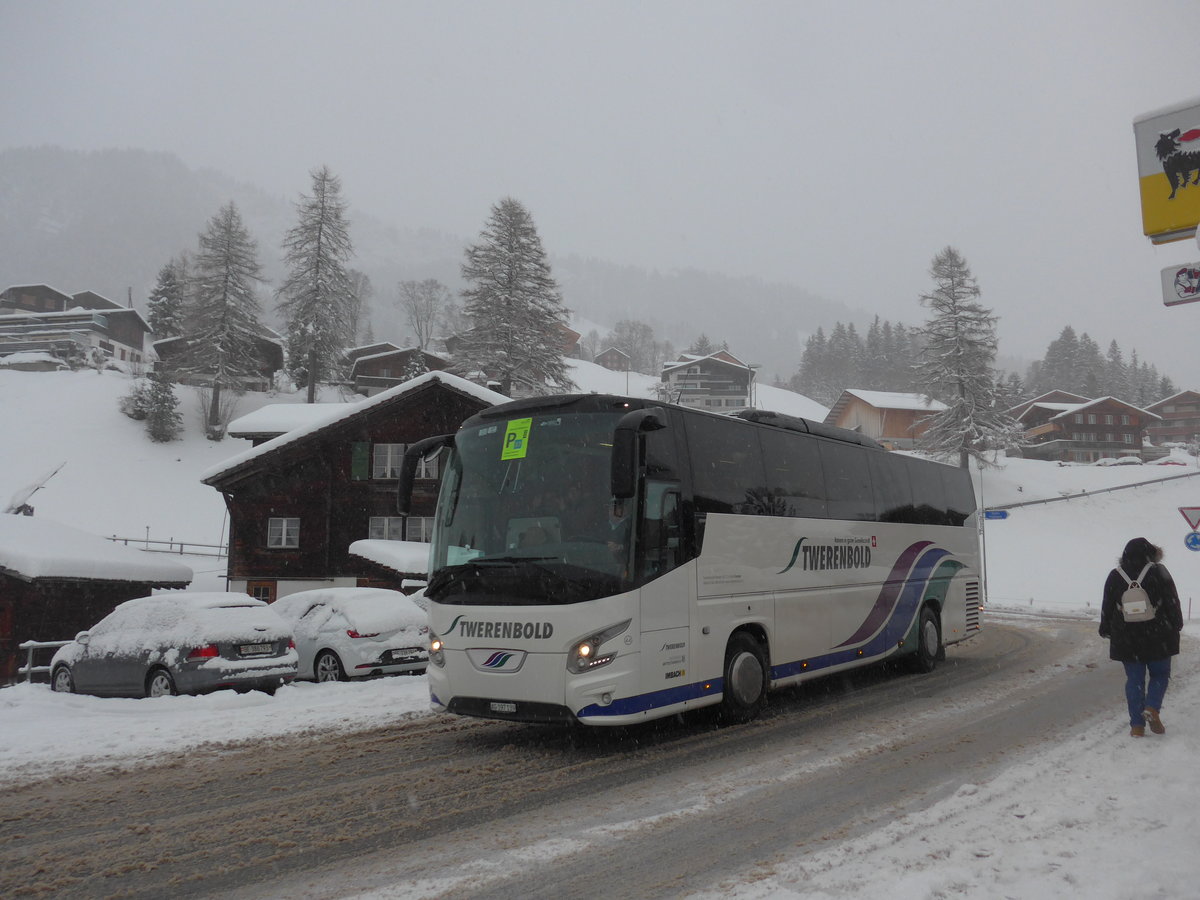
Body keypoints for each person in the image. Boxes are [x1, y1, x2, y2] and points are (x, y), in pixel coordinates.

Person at [1098, 537, 1184, 737]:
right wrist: (1176, 624)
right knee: (1160, 674)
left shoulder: (1115, 575)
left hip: (1127, 637)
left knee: (1134, 680)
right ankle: (1152, 708)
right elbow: (1172, 601)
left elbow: (1107, 604)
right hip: (1158, 635)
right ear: (1151, 554)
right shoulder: (1159, 572)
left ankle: (1137, 726)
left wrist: (1106, 628)